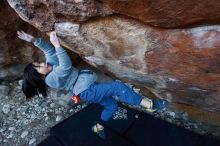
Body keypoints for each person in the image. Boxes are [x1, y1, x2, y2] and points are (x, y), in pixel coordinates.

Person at [17, 30, 168, 139]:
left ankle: (98, 127)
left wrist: (33, 40)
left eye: (39, 62)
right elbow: (65, 66)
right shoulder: (51, 79)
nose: (43, 63)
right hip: (87, 90)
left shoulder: (50, 65)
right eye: (39, 66)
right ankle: (149, 104)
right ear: (40, 77)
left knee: (111, 106)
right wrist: (58, 45)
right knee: (118, 87)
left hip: (88, 89)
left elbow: (49, 51)